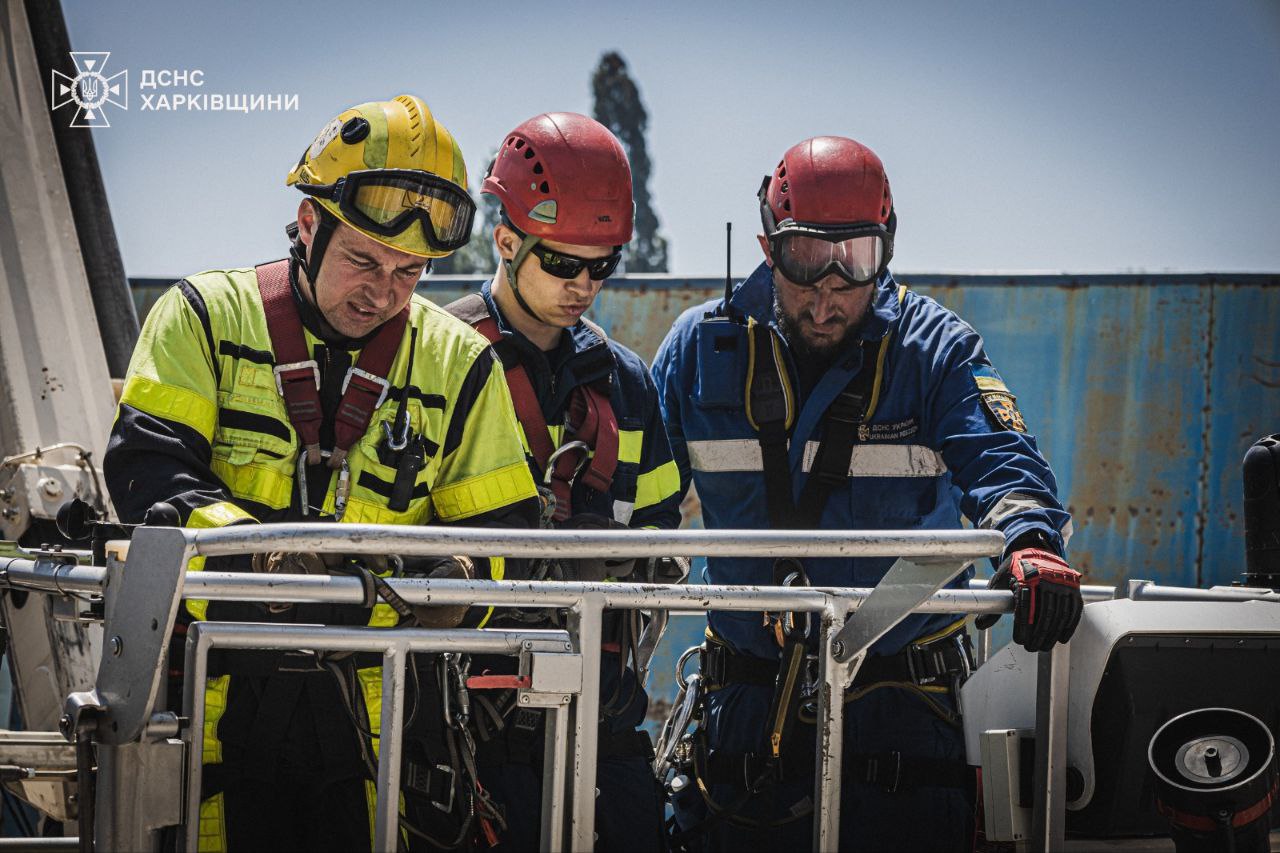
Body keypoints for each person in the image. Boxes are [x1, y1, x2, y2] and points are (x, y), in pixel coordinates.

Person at [104, 95, 540, 852]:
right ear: (309, 226)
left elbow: (508, 542)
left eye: (411, 271)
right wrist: (262, 556)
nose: (384, 290)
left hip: (380, 710)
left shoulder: (461, 362)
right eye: (364, 261)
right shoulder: (203, 319)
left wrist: (454, 577)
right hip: (213, 689)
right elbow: (149, 476)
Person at [651, 136, 1083, 851]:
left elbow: (1002, 457)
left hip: (904, 718)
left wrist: (1032, 540)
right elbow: (640, 508)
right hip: (745, 718)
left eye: (853, 263)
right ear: (767, 246)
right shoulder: (700, 351)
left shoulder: (933, 351)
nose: (826, 295)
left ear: (886, 246)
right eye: (804, 262)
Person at [443, 112, 683, 851]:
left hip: (602, 727)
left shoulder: (626, 382)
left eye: (602, 265)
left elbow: (661, 526)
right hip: (465, 729)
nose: (584, 285)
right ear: (506, 240)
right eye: (563, 263)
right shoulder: (440, 359)